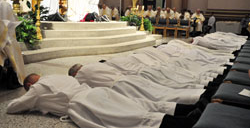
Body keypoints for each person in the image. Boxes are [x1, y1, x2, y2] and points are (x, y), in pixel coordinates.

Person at [7, 73, 170, 128]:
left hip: (84, 103)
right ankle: (183, 116)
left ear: (29, 84)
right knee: (137, 109)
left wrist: (29, 98)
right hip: (96, 92)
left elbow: (13, 107)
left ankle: (182, 123)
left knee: (130, 121)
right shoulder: (59, 76)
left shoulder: (37, 89)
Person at [69, 62, 205, 105]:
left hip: (120, 86)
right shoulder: (94, 64)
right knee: (162, 91)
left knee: (156, 98)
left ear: (75, 73)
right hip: (128, 78)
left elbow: (81, 88)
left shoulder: (81, 75)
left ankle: (195, 98)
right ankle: (198, 94)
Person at [0, 0, 25, 87]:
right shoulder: (5, 4)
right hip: (7, 38)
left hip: (4, 37)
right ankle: (13, 79)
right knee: (11, 52)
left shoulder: (4, 4)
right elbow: (11, 21)